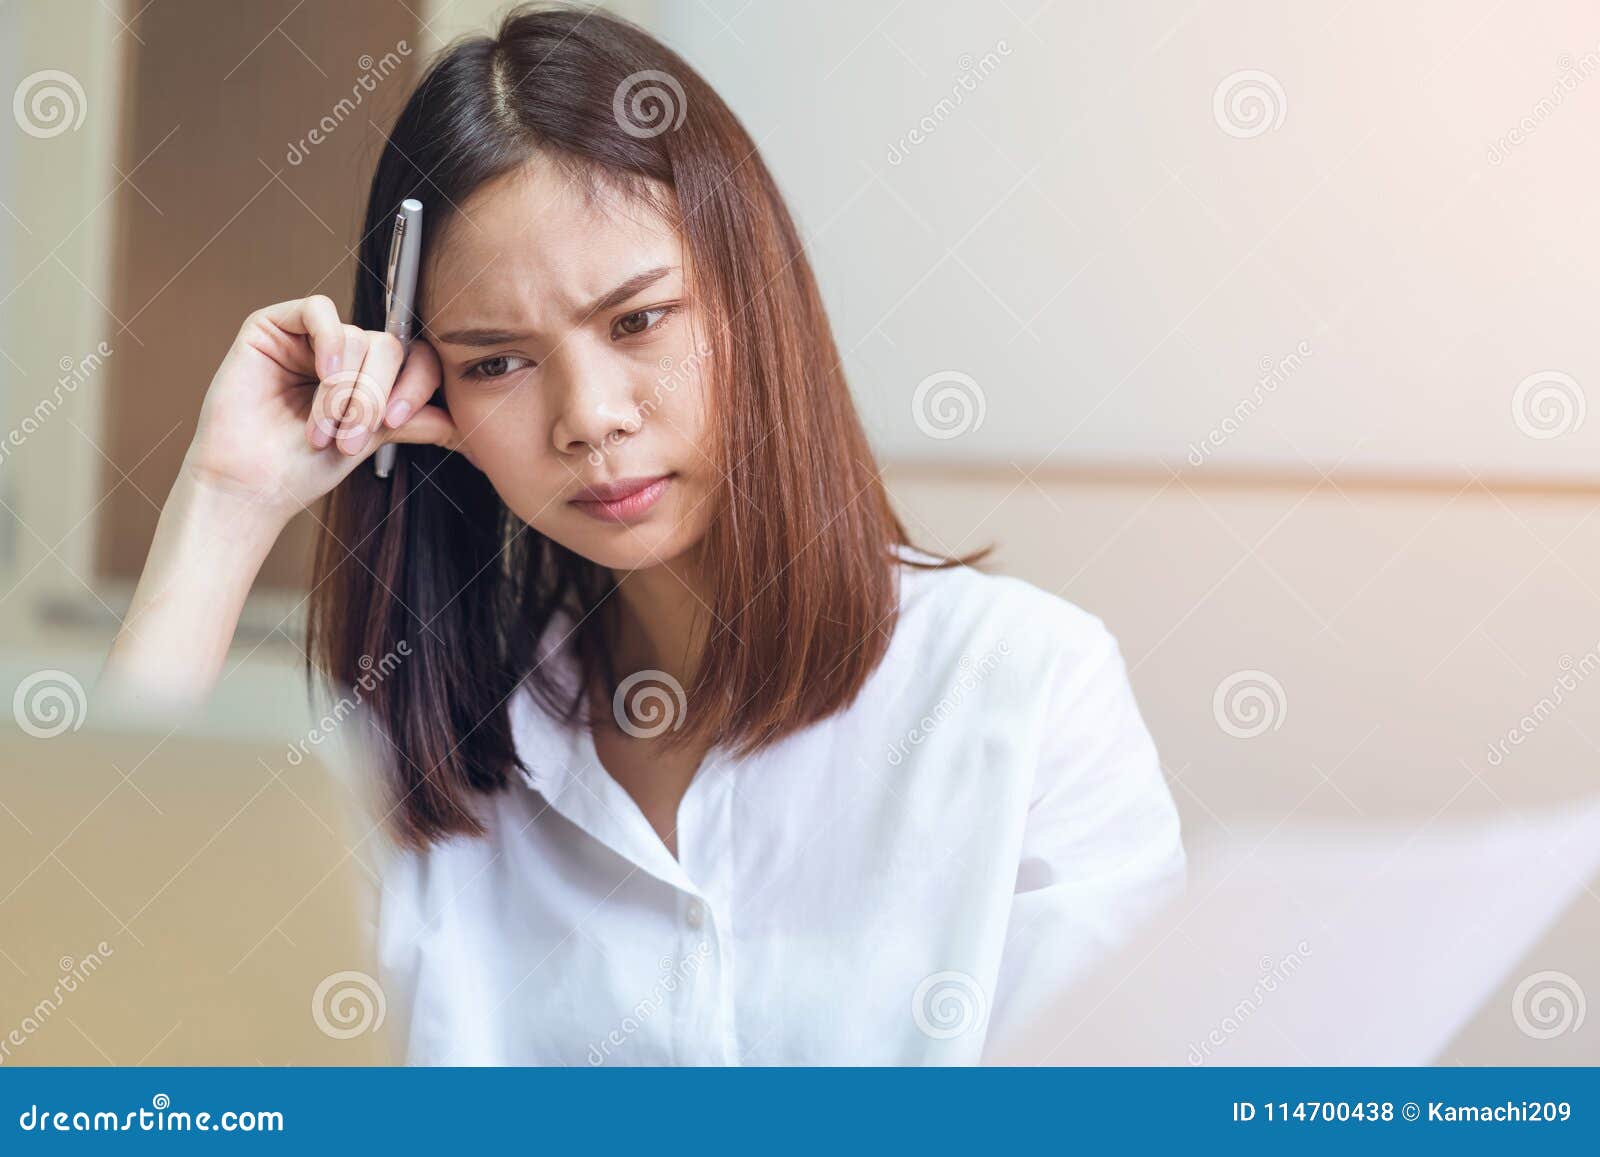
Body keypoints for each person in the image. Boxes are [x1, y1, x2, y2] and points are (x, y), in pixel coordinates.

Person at [101, 3, 1184, 1065]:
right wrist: (228, 499)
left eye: (639, 321)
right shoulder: (412, 747)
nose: (588, 416)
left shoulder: (1026, 686)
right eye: (495, 361)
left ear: (754, 301)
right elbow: (104, 1026)